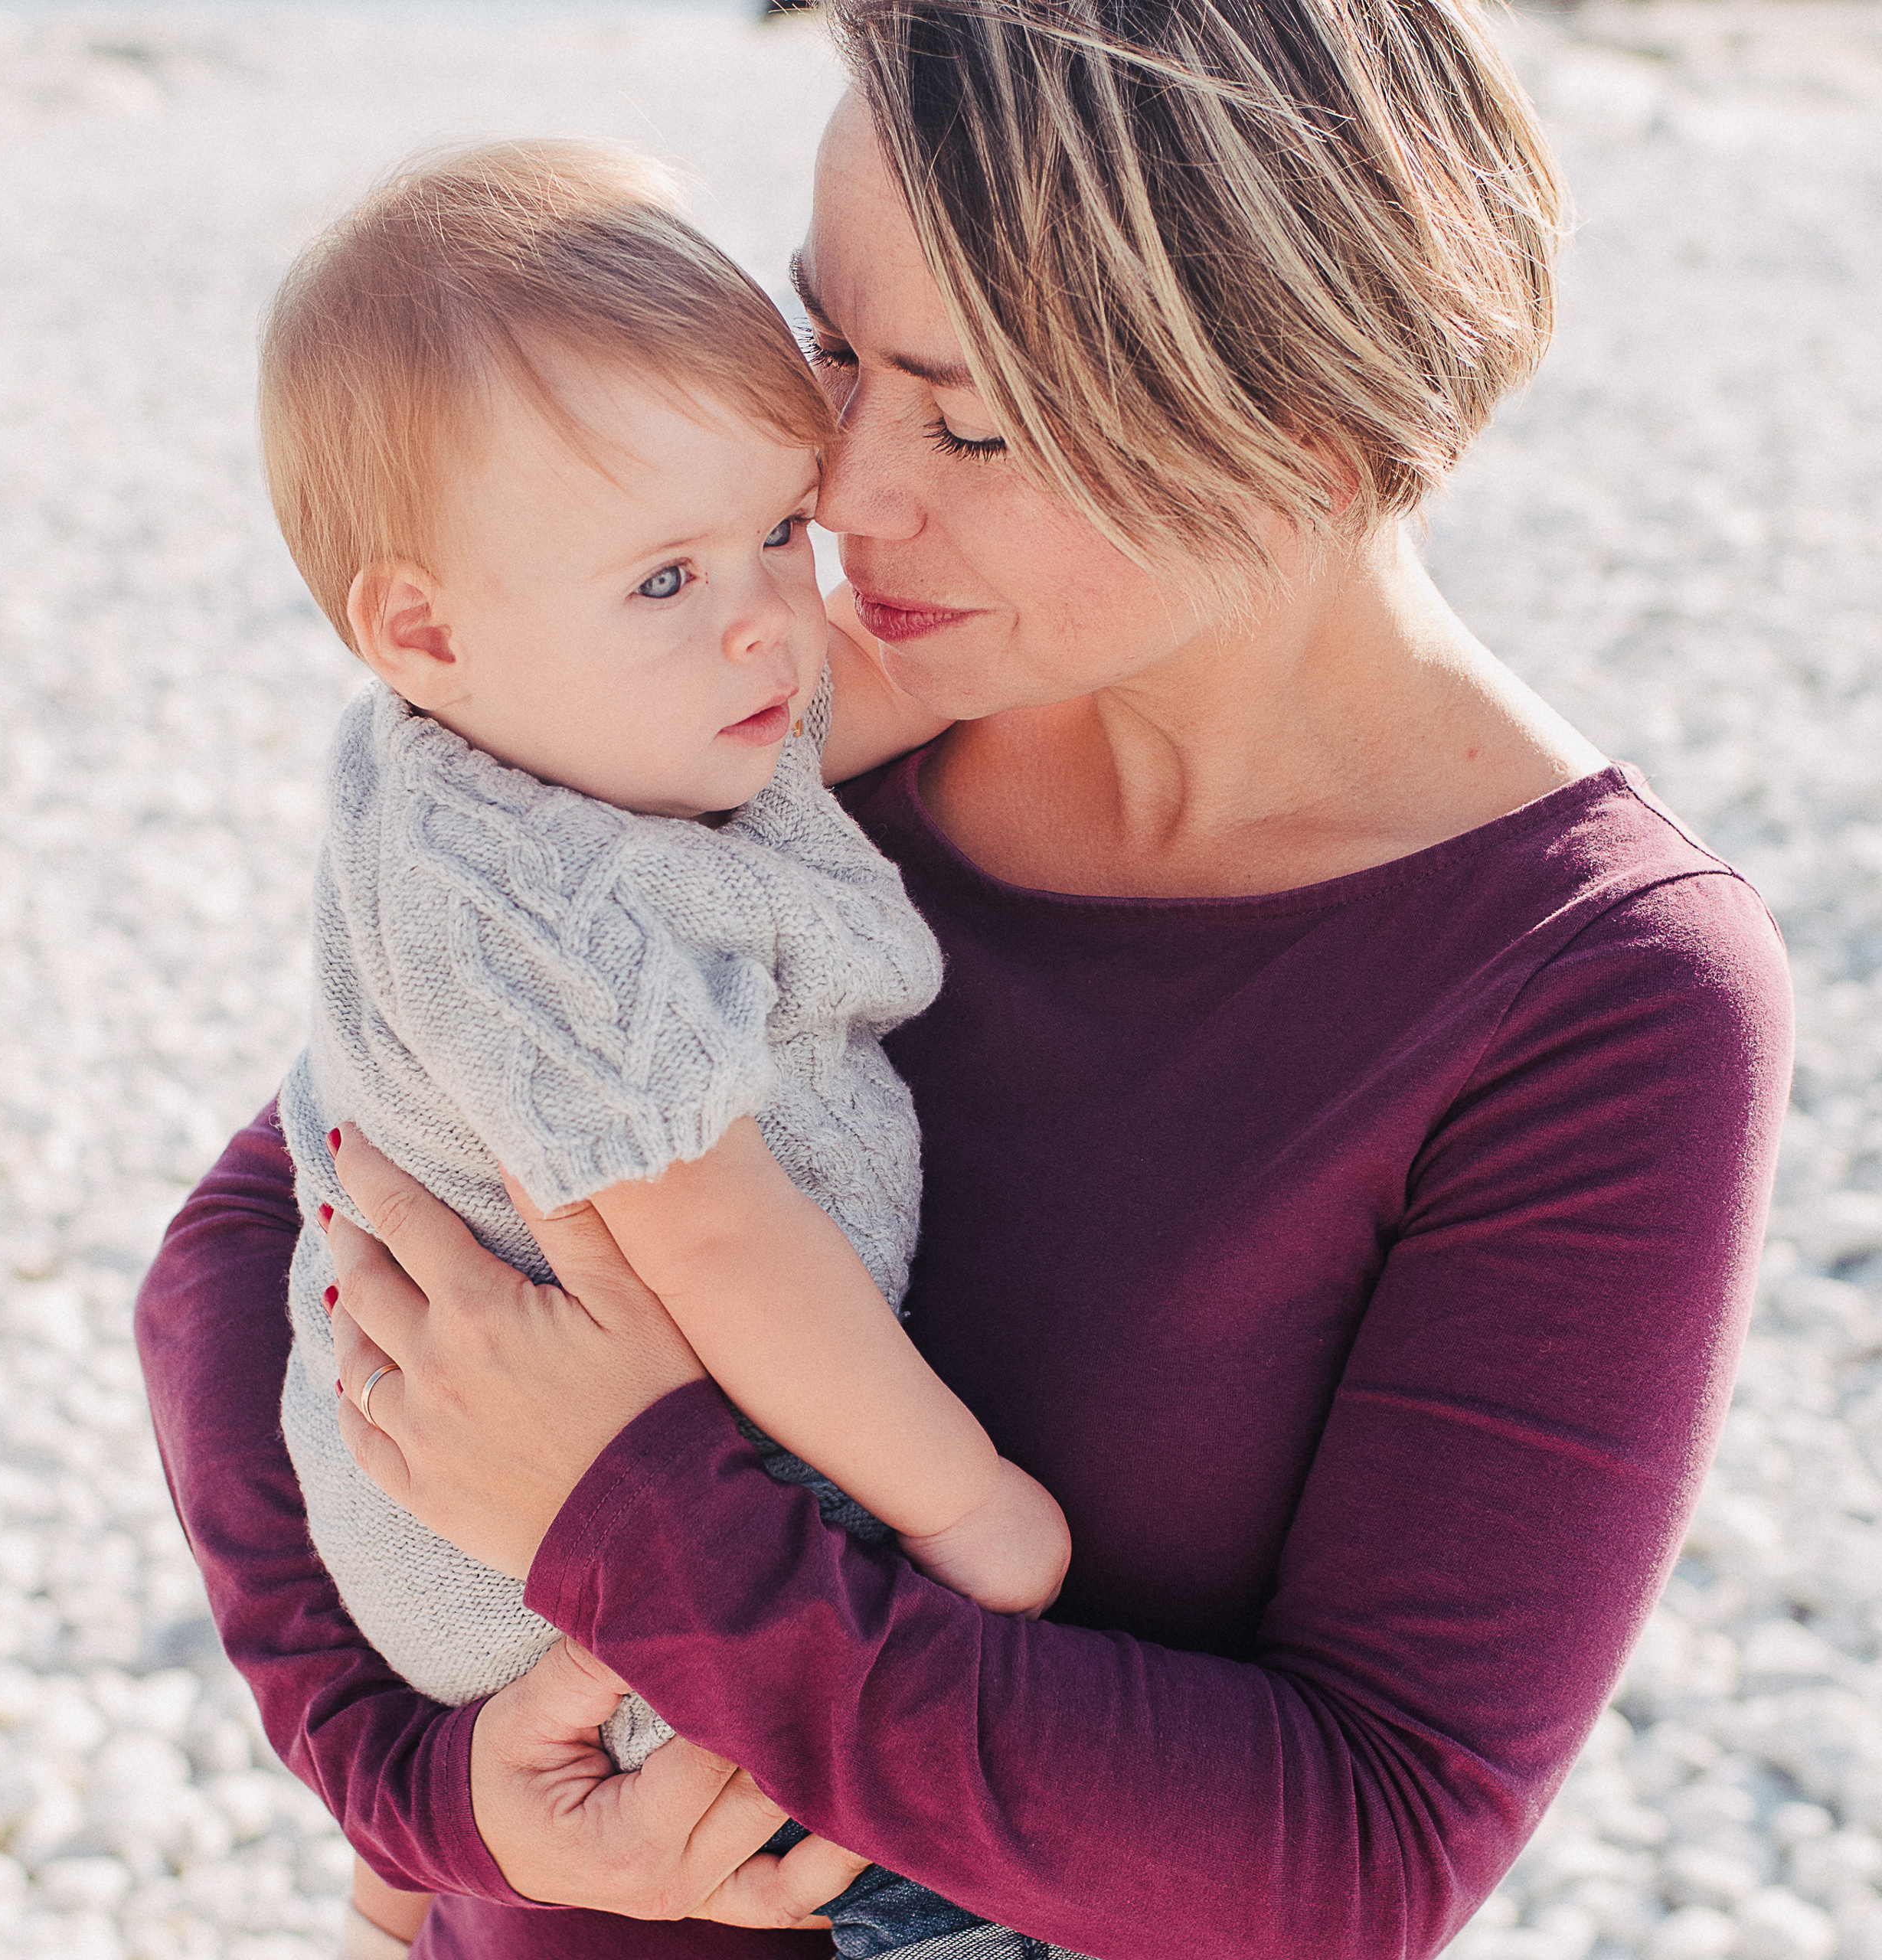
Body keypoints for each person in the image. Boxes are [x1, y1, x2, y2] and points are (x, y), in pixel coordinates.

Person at [136, 1, 1795, 1955]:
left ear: (1315, 428)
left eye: (971, 419)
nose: (838, 490)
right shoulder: (755, 721)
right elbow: (258, 1238)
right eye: (825, 344)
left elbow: (1350, 1853)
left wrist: (636, 1518)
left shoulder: (1594, 991)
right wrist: (412, 1788)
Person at [257, 139, 1070, 1958]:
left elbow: (885, 677)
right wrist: (964, 1500)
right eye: (664, 576)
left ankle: (402, 1904)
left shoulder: (618, 699)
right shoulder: (518, 894)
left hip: (592, 1449)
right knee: (896, 1824)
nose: (761, 613)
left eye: (778, 524)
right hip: (529, 1559)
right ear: (421, 628)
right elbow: (716, 1242)